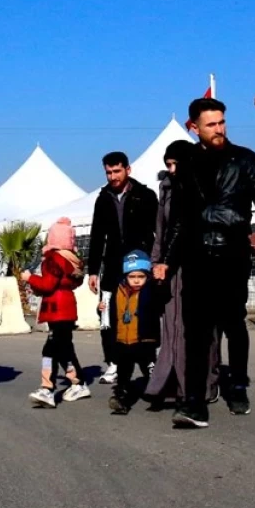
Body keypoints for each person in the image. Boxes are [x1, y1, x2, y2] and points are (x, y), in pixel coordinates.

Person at [155, 97, 255, 428]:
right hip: (196, 259)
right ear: (193, 127)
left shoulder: (244, 159)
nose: (219, 129)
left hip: (232, 254)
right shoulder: (188, 164)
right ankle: (195, 402)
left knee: (233, 324)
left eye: (222, 122)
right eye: (211, 125)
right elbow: (179, 219)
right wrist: (166, 260)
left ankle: (237, 385)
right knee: (196, 332)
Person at [145, 140, 221, 406]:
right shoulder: (165, 188)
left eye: (176, 163)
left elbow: (193, 227)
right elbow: (162, 230)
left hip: (199, 264)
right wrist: (156, 262)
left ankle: (207, 382)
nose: (172, 169)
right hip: (170, 267)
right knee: (173, 326)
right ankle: (173, 383)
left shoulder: (203, 186)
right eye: (168, 165)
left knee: (199, 328)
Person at [87, 151, 159, 387]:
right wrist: (93, 271)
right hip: (112, 267)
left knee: (145, 313)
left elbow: (158, 231)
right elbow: (97, 236)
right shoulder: (103, 198)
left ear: (128, 170)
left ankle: (149, 360)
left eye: (117, 171)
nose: (112, 176)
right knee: (107, 314)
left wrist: (157, 261)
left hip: (140, 265)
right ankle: (114, 363)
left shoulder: (145, 196)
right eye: (108, 172)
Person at [24, 217, 91, 408]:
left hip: (56, 308)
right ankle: (78, 383)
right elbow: (74, 283)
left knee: (51, 349)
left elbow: (48, 284)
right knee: (64, 348)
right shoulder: (73, 260)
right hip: (68, 305)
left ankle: (47, 388)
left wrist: (30, 278)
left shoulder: (53, 259)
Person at [106, 250, 161, 415]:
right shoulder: (119, 291)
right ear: (125, 277)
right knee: (123, 372)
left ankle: (158, 394)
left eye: (141, 276)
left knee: (150, 369)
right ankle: (121, 398)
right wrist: (100, 309)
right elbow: (113, 314)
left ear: (147, 276)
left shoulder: (150, 291)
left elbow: (160, 303)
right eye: (132, 276)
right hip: (123, 340)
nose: (136, 280)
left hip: (144, 340)